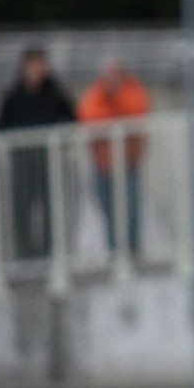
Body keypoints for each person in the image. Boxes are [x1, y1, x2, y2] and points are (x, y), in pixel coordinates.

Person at [0, 47, 75, 259]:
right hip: (22, 163)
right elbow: (1, 126)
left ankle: (50, 253)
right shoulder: (13, 96)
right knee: (22, 209)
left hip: (49, 162)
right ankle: (25, 254)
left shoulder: (56, 94)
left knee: (51, 208)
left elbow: (71, 121)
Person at [77, 59, 151, 255]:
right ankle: (115, 252)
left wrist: (114, 107)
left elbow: (136, 112)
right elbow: (89, 117)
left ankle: (133, 251)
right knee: (108, 209)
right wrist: (116, 113)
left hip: (128, 161)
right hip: (103, 164)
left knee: (131, 208)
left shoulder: (132, 91)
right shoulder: (96, 95)